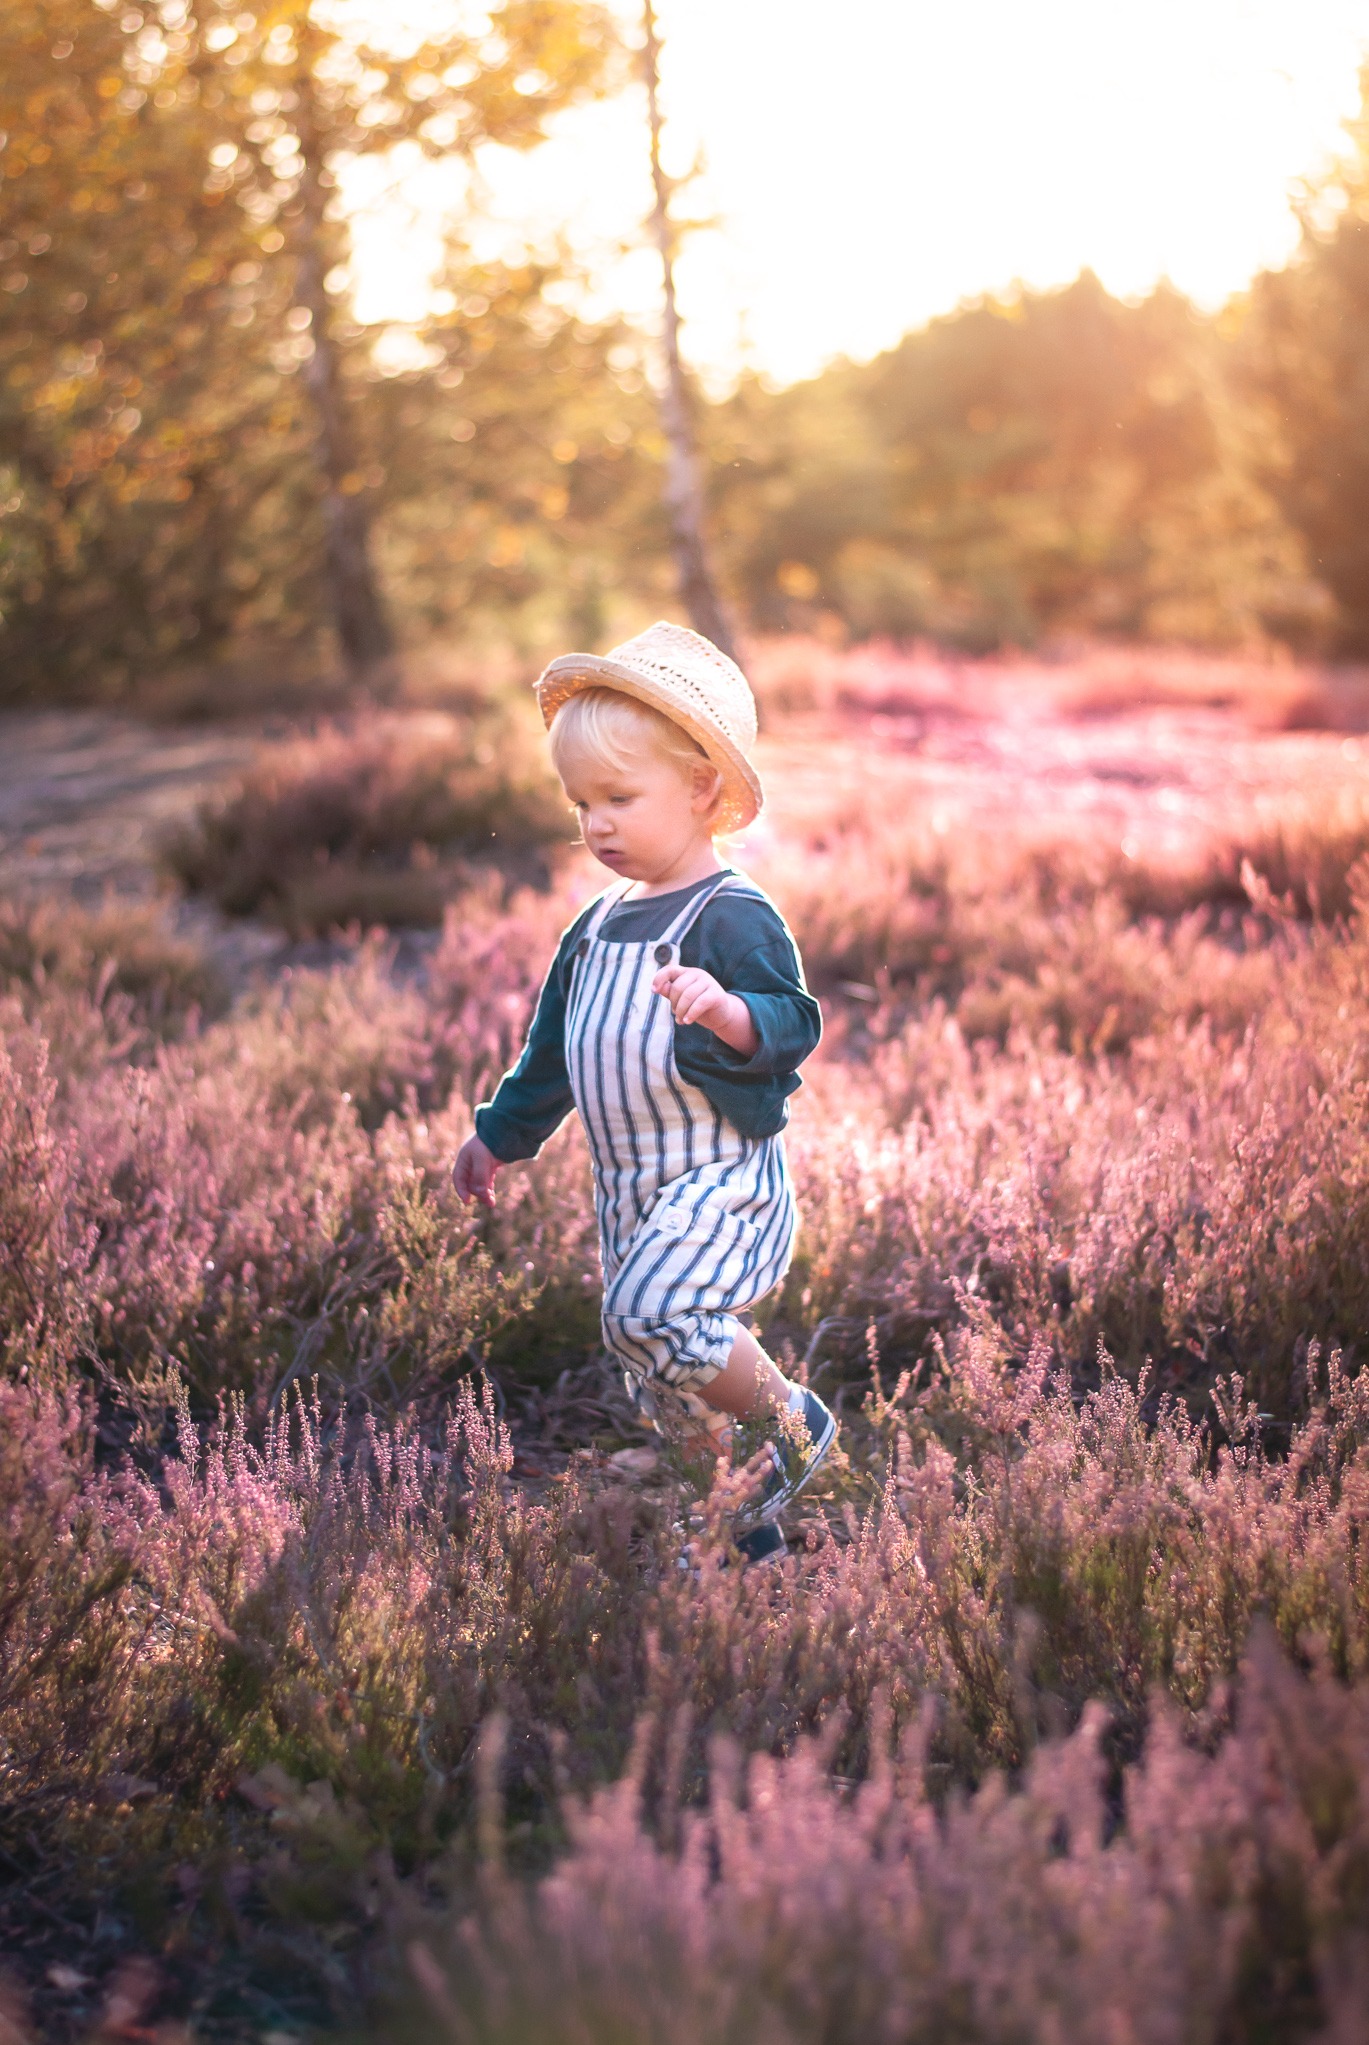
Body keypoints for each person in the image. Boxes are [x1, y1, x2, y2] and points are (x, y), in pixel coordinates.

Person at [451, 621, 836, 1560]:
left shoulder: (732, 915)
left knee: (648, 1316)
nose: (597, 824)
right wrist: (501, 1132)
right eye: (580, 802)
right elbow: (555, 1050)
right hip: (633, 1191)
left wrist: (725, 1011)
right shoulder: (594, 926)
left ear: (702, 788)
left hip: (720, 1181)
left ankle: (794, 1419)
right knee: (663, 1379)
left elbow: (794, 1026)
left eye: (620, 797)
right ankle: (739, 1529)